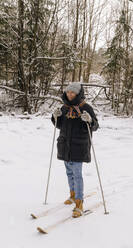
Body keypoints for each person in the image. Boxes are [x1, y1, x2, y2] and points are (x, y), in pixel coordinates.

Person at [51, 82, 99, 218]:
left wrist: (90, 121)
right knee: (69, 173)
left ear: (78, 93)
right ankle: (72, 195)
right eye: (68, 92)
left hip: (79, 146)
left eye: (72, 92)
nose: (70, 94)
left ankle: (79, 202)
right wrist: (55, 117)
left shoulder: (86, 107)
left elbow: (95, 126)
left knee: (77, 175)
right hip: (65, 145)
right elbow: (59, 125)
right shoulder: (64, 107)